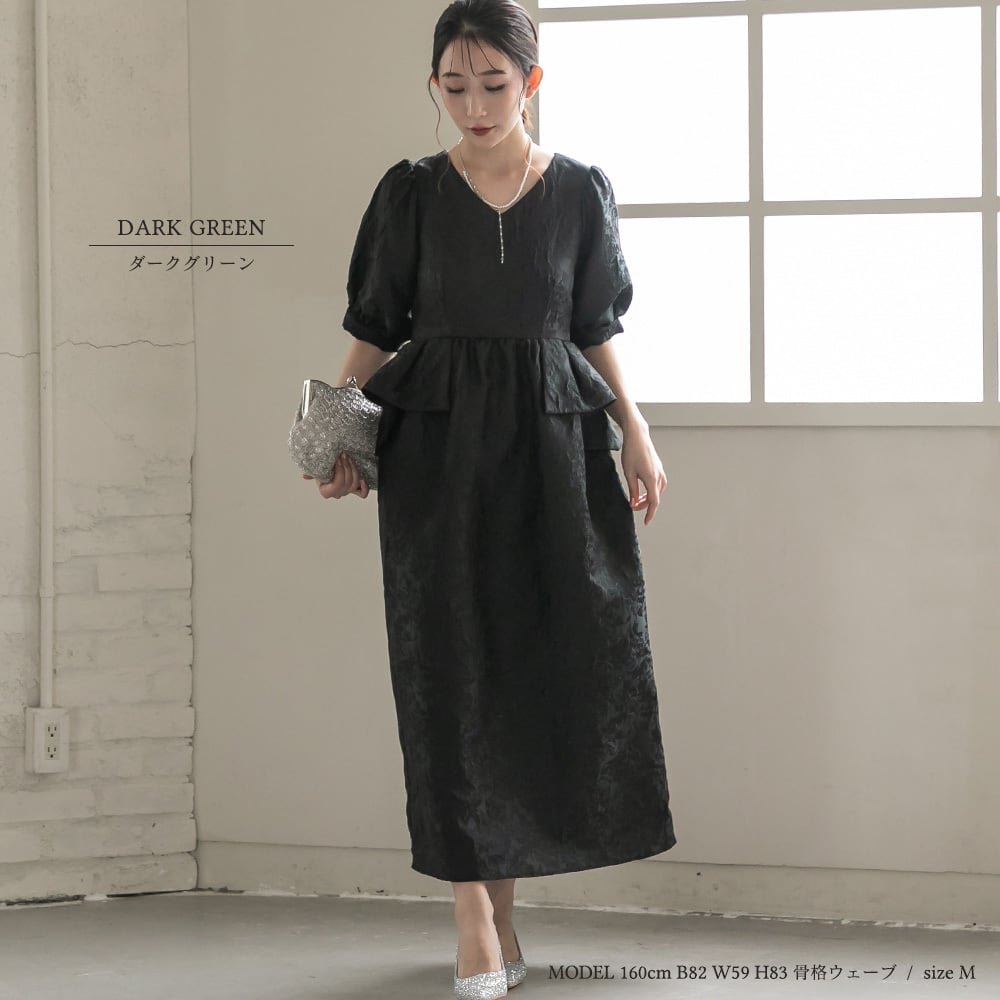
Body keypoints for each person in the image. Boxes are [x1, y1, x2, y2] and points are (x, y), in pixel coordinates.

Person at [303, 1, 677, 995]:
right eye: (454, 85)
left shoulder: (581, 190)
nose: (473, 104)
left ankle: (503, 918)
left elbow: (595, 324)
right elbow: (373, 325)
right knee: (447, 667)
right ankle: (473, 914)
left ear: (531, 83)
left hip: (556, 444)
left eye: (494, 84)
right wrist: (333, 429)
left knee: (535, 666)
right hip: (438, 447)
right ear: (435, 85)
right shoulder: (411, 192)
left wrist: (635, 428)